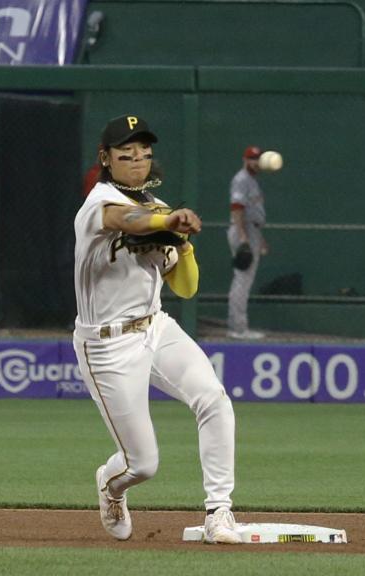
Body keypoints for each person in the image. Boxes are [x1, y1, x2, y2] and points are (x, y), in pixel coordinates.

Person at [73, 114, 242, 544]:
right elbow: (125, 222)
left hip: (156, 326)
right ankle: (111, 487)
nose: (137, 163)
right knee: (142, 465)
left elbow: (186, 288)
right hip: (107, 344)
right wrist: (165, 223)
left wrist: (181, 243)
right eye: (126, 155)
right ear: (106, 159)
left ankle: (219, 513)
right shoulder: (99, 202)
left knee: (214, 399)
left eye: (144, 155)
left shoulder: (158, 209)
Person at [227, 145, 270, 340]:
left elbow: (253, 212)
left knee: (245, 279)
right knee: (242, 279)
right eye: (252, 159)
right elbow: (237, 208)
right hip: (242, 230)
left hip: (251, 230)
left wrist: (259, 239)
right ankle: (238, 328)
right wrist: (243, 237)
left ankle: (238, 326)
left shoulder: (252, 181)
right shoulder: (241, 179)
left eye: (258, 159)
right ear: (245, 160)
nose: (256, 162)